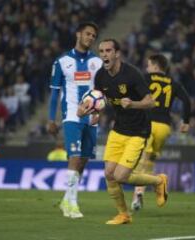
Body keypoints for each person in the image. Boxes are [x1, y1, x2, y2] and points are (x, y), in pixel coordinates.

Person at [82, 39, 168, 225]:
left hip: (138, 131)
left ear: (117, 53)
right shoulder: (100, 77)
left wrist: (134, 104)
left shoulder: (132, 74)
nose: (104, 54)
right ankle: (124, 215)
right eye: (101, 51)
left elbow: (151, 102)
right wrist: (95, 113)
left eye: (108, 50)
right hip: (118, 129)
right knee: (109, 174)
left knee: (120, 176)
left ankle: (158, 181)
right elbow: (99, 100)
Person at [47, 22, 103, 219]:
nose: (90, 38)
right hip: (71, 116)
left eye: (93, 36)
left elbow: (100, 93)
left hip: (91, 119)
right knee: (75, 156)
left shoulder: (97, 62)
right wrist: (50, 119)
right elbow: (54, 94)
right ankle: (73, 204)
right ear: (78, 34)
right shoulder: (62, 62)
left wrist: (99, 112)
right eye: (87, 34)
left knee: (84, 160)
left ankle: (66, 199)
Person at [130, 54, 191, 211]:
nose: (147, 68)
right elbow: (187, 100)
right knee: (149, 161)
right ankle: (144, 192)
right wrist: (186, 122)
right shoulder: (173, 82)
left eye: (149, 65)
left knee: (139, 160)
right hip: (164, 127)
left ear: (156, 67)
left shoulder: (146, 78)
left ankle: (139, 194)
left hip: (147, 123)